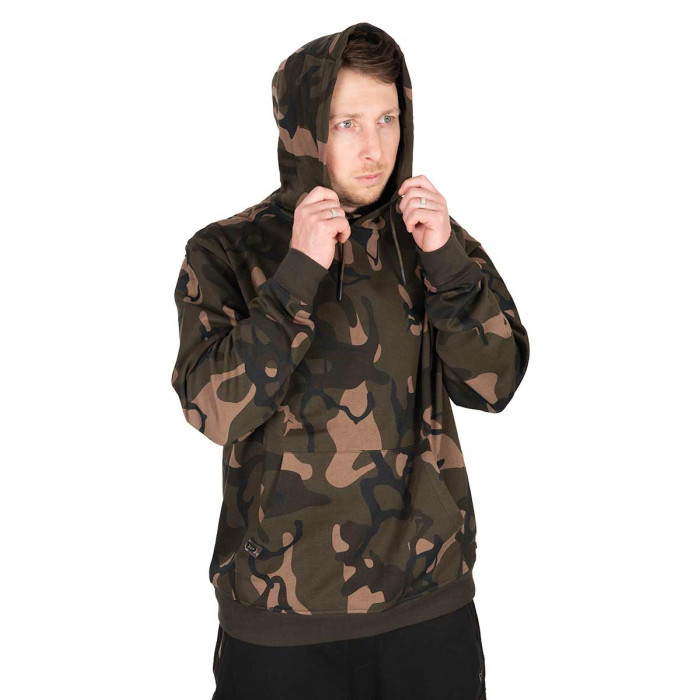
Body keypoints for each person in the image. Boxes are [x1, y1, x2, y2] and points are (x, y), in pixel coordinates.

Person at [170, 21, 529, 700]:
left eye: (388, 119)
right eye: (346, 124)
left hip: (427, 609)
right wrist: (297, 274)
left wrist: (449, 265)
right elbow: (215, 409)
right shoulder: (226, 251)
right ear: (304, 131)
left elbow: (495, 384)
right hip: (279, 622)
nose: (374, 148)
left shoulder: (432, 238)